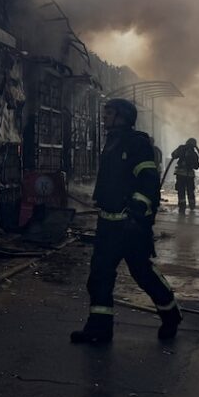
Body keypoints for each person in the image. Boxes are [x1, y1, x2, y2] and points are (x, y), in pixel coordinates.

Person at [71, 98, 181, 344]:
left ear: (123, 117)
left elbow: (148, 182)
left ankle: (171, 314)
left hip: (129, 226)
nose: (104, 117)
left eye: (109, 113)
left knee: (142, 273)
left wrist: (137, 214)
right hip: (108, 224)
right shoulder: (112, 142)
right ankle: (99, 329)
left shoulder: (137, 143)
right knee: (99, 276)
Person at [171, 138, 199, 214]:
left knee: (181, 191)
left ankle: (182, 207)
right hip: (189, 176)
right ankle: (192, 206)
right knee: (190, 191)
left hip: (180, 175)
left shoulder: (182, 149)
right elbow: (197, 166)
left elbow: (173, 155)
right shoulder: (194, 154)